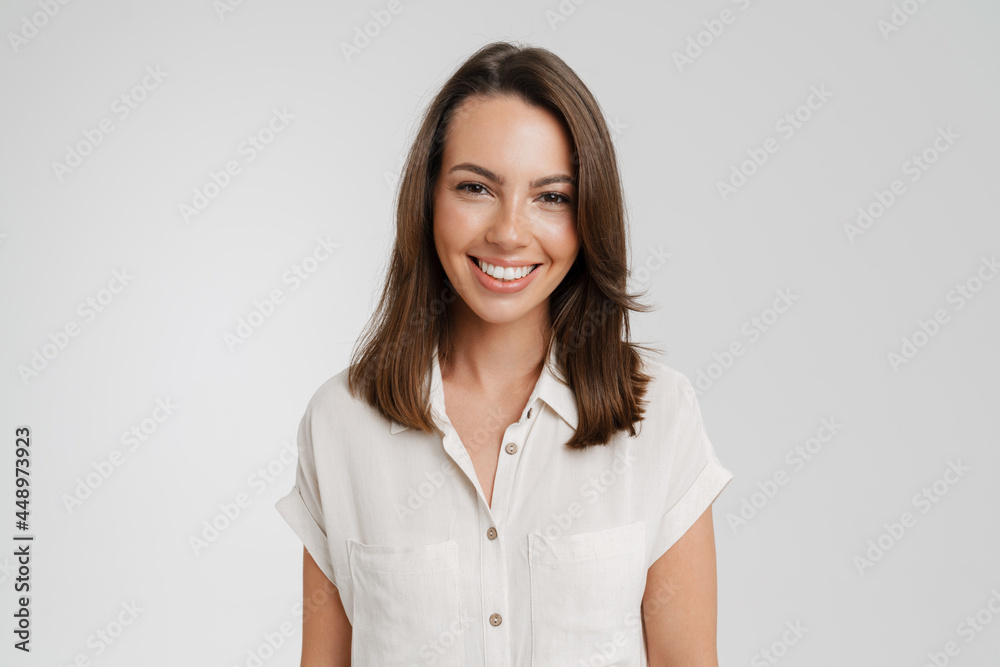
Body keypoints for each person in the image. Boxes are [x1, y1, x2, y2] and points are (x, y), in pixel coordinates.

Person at [275, 40, 733, 667]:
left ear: (587, 215)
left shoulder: (661, 416)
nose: (509, 232)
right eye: (476, 188)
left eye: (551, 196)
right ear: (428, 198)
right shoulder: (339, 424)